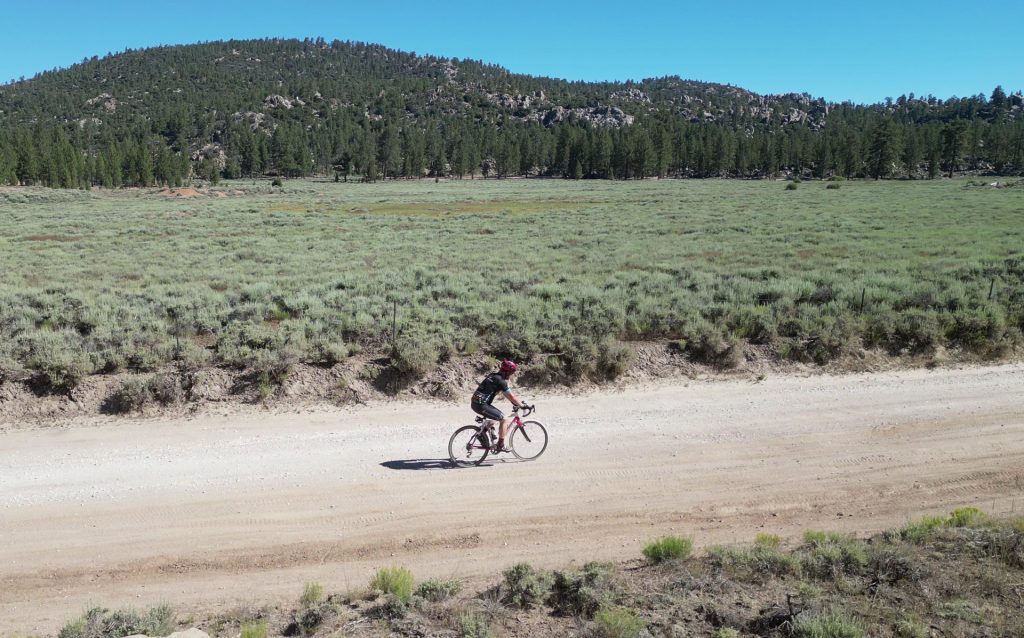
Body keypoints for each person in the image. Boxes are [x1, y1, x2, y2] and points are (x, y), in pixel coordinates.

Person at [471, 359, 530, 453]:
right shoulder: (501, 381)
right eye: (511, 373)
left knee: (494, 418)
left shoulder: (493, 375)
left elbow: (508, 396)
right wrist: (522, 406)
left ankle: (483, 434)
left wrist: (515, 402)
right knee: (504, 419)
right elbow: (512, 397)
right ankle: (500, 445)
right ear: (507, 372)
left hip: (475, 403)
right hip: (482, 405)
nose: (511, 375)